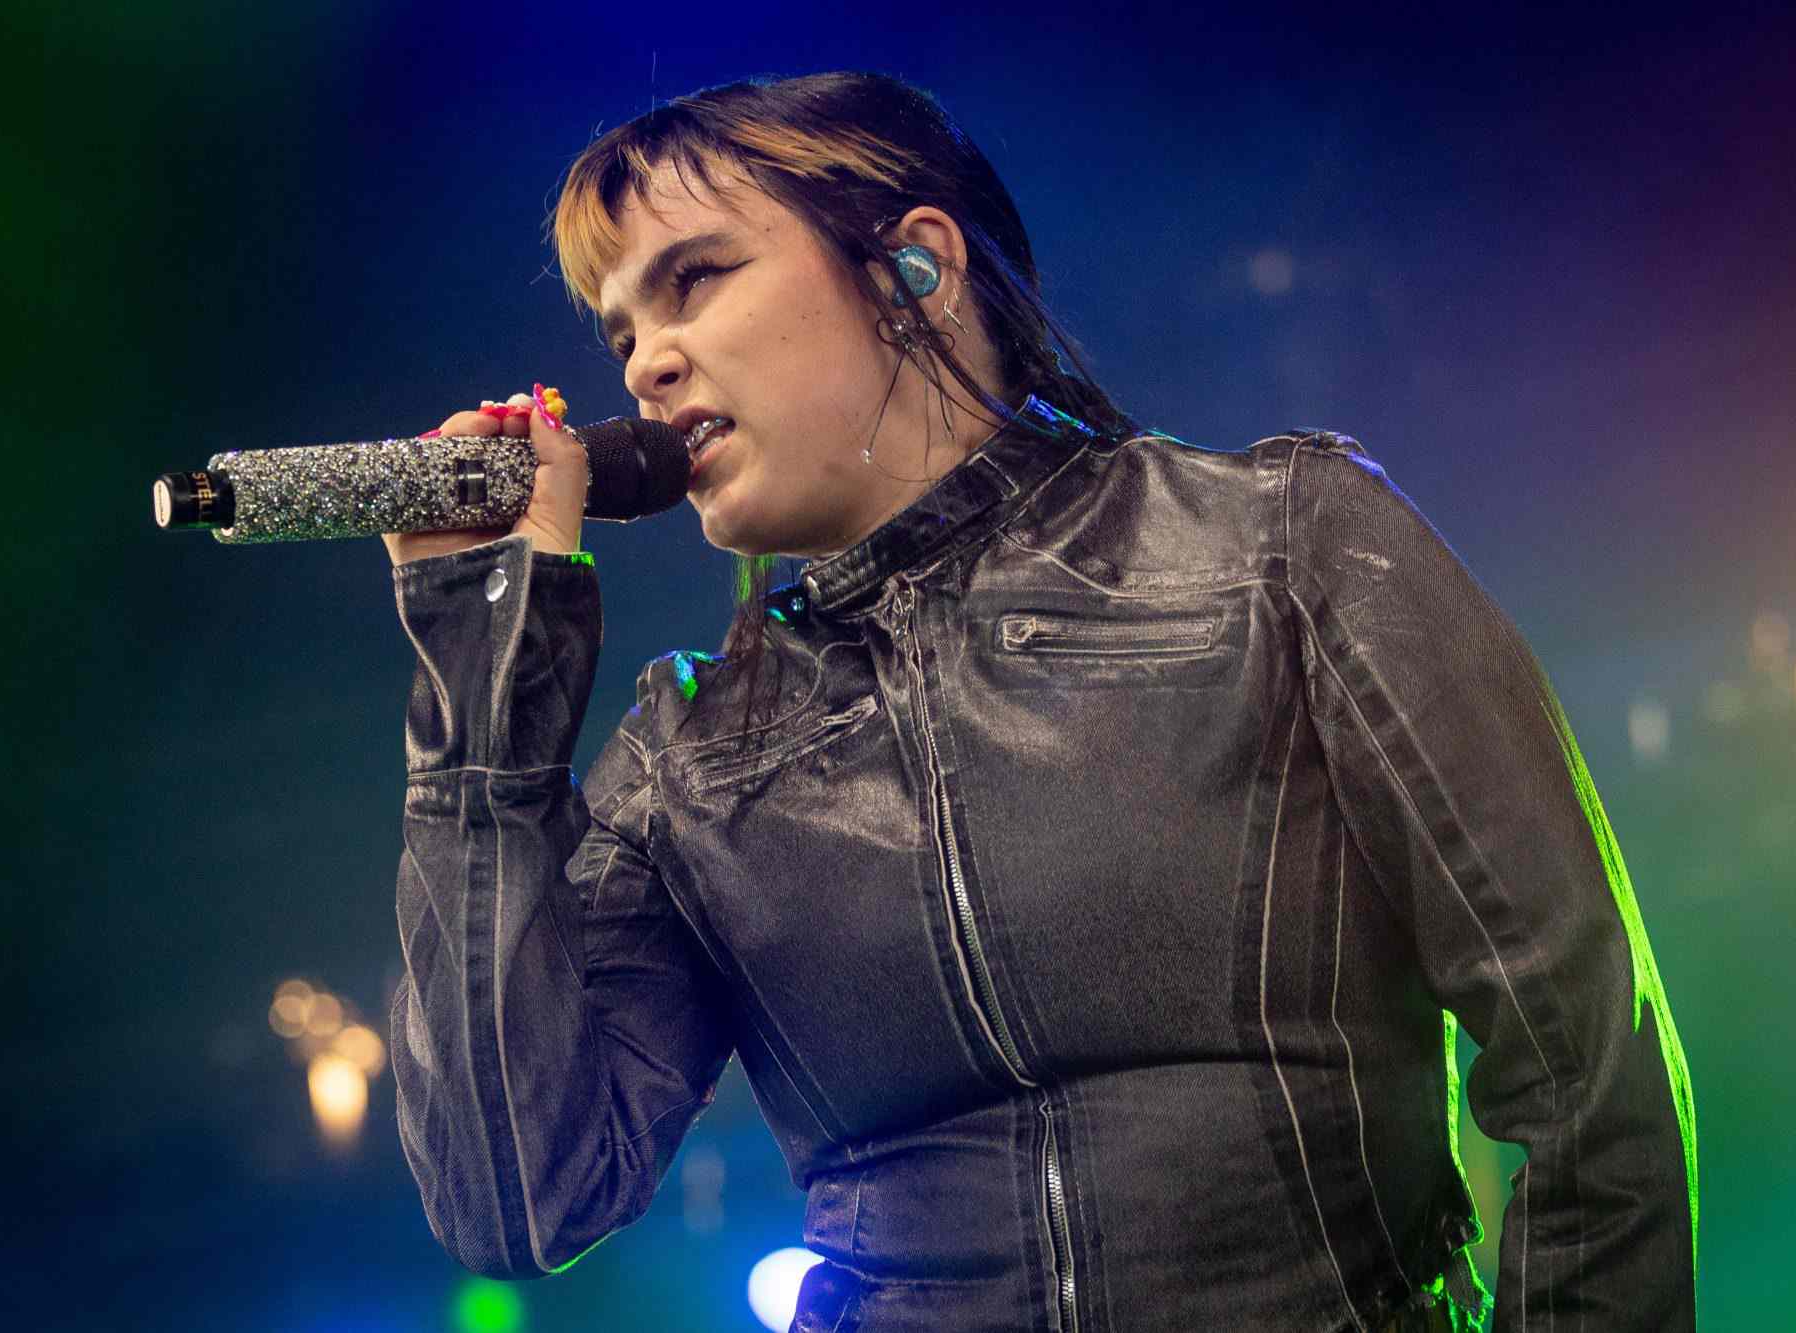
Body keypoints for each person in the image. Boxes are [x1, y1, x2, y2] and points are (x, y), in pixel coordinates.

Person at [379, 72, 1697, 1332]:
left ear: (918, 270)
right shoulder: (689, 754)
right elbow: (515, 1196)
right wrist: (481, 683)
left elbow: (1593, 1077)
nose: (647, 365)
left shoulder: (1285, 558)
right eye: (621, 333)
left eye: (698, 280)